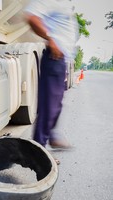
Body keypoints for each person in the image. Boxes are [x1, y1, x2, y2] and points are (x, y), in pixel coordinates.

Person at [24, 0, 79, 150]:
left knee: (55, 104)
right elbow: (32, 17)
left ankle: (52, 136)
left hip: (61, 61)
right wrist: (51, 39)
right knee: (48, 106)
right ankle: (38, 151)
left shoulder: (66, 5)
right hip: (54, 57)